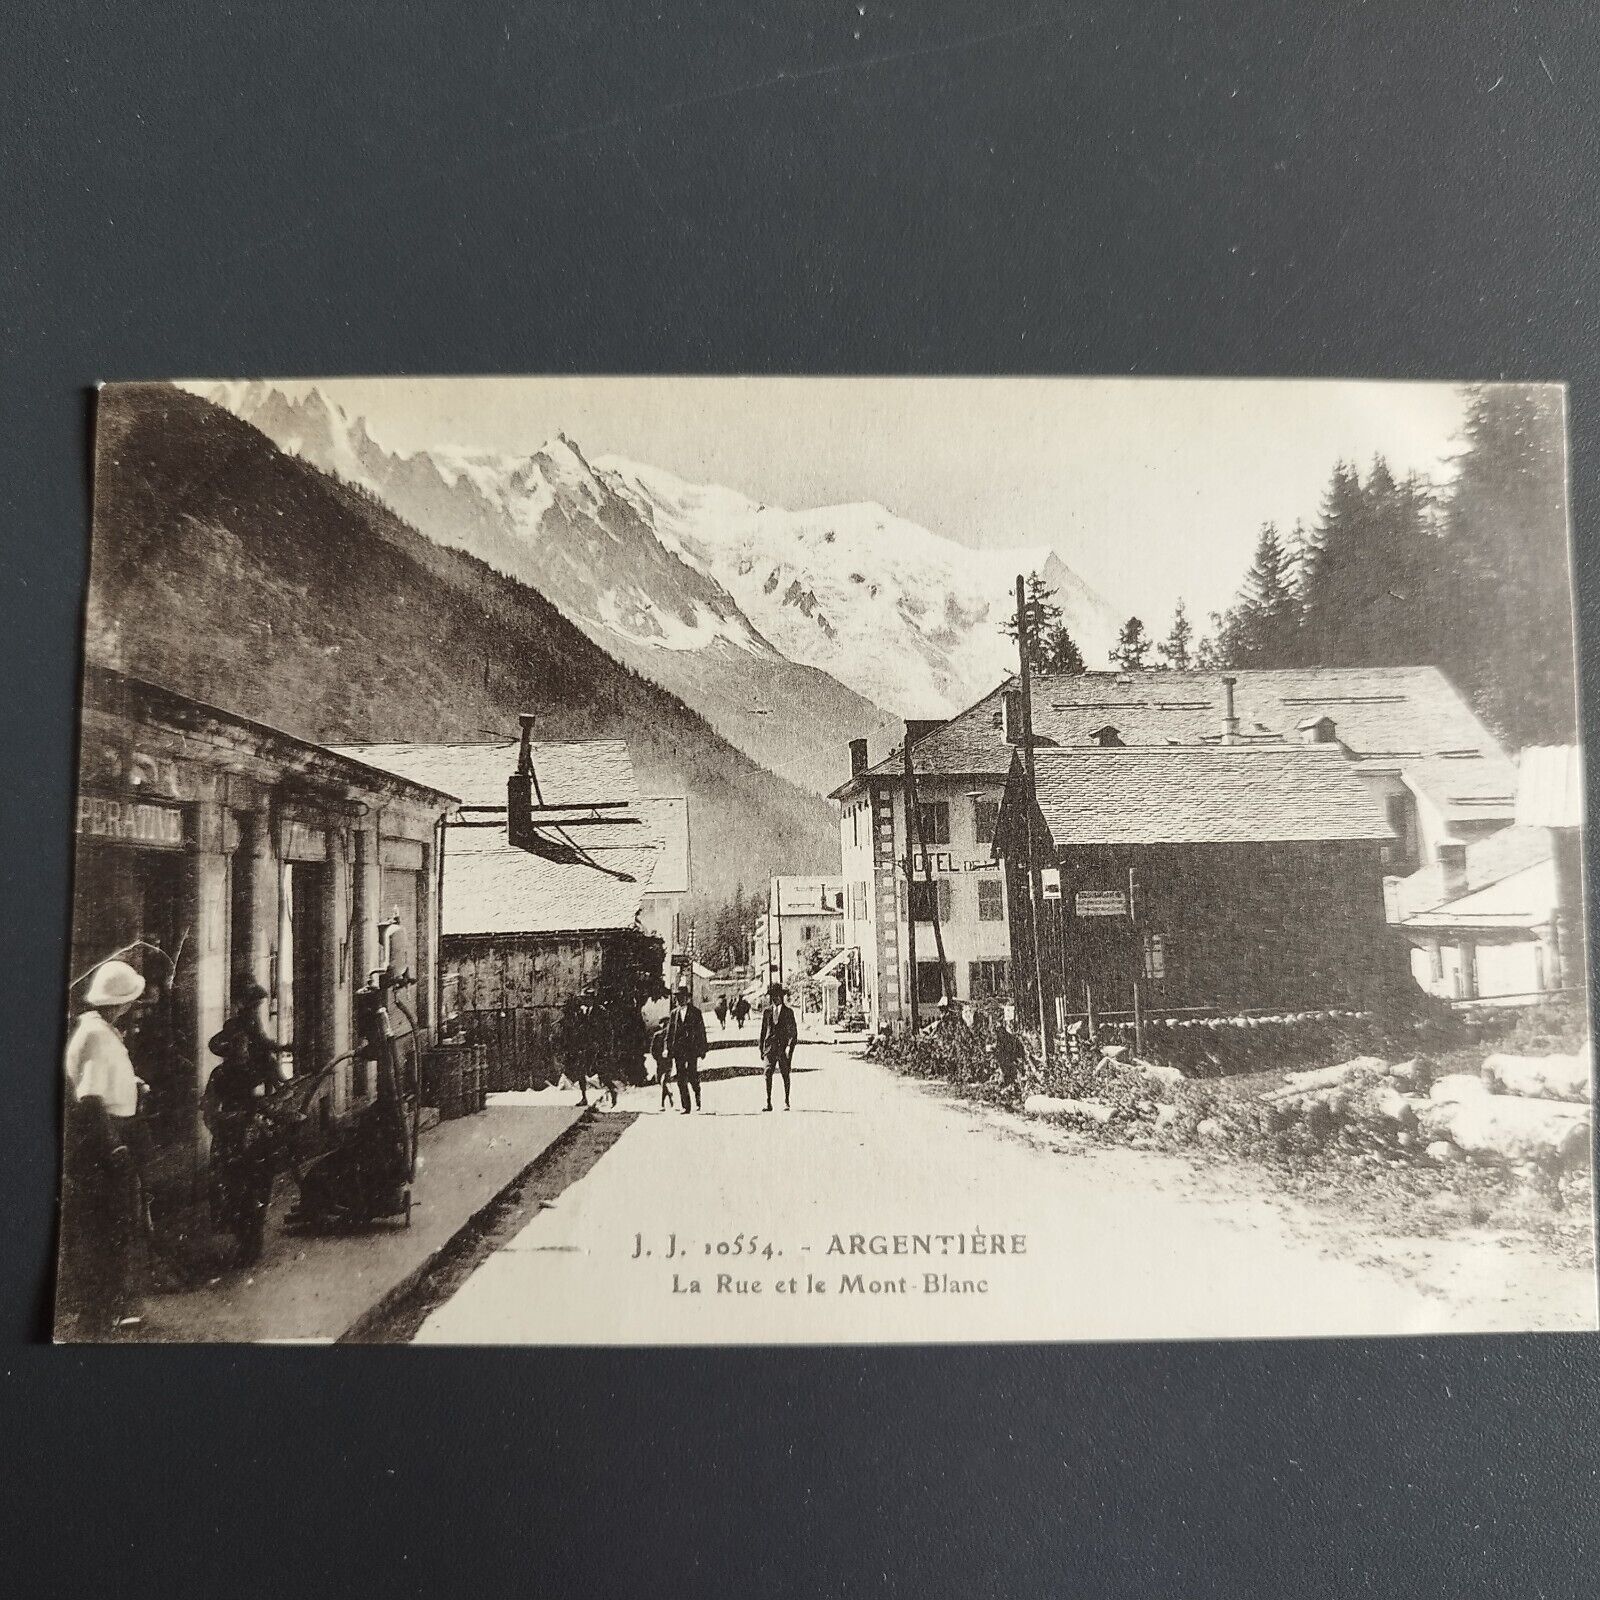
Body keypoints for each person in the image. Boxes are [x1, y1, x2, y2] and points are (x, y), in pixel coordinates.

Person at [61, 958, 148, 1334]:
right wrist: (114, 1148)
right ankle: (98, 1315)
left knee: (111, 1227)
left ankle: (109, 1309)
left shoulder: (100, 1031)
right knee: (107, 1229)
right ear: (120, 1003)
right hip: (103, 1143)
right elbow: (91, 1097)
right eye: (131, 1002)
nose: (134, 1008)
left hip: (106, 1137)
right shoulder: (96, 1035)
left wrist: (132, 1084)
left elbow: (101, 1082)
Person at [561, 985, 616, 1107]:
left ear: (592, 999)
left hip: (599, 1048)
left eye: (586, 998)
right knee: (581, 1070)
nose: (584, 1000)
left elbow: (608, 1031)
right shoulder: (584, 1011)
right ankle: (584, 1097)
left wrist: (606, 1048)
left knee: (601, 1072)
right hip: (587, 1047)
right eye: (583, 998)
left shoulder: (601, 1011)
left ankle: (612, 1090)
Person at [663, 982, 708, 1113]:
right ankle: (686, 1106)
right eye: (677, 997)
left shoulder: (696, 1012)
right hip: (678, 1051)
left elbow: (701, 1032)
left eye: (681, 997)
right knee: (681, 1078)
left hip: (692, 1050)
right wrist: (667, 1048)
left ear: (687, 998)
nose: (678, 999)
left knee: (693, 1076)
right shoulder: (674, 1014)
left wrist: (703, 1049)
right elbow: (669, 1033)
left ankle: (697, 1097)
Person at [758, 981, 798, 1111]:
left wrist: (789, 1047)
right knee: (767, 1072)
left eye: (777, 995)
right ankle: (768, 1102)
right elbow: (763, 1031)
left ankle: (786, 1100)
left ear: (781, 996)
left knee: (785, 1074)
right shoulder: (767, 1012)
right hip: (769, 1048)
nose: (774, 998)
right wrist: (761, 1049)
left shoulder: (788, 1012)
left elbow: (793, 1032)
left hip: (782, 1048)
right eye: (772, 996)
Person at [649, 1016, 674, 1109]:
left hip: (661, 1061)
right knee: (664, 1080)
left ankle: (662, 1104)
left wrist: (657, 1058)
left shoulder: (657, 1035)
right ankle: (669, 1094)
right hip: (666, 1061)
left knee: (661, 1080)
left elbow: (652, 1050)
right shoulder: (670, 1035)